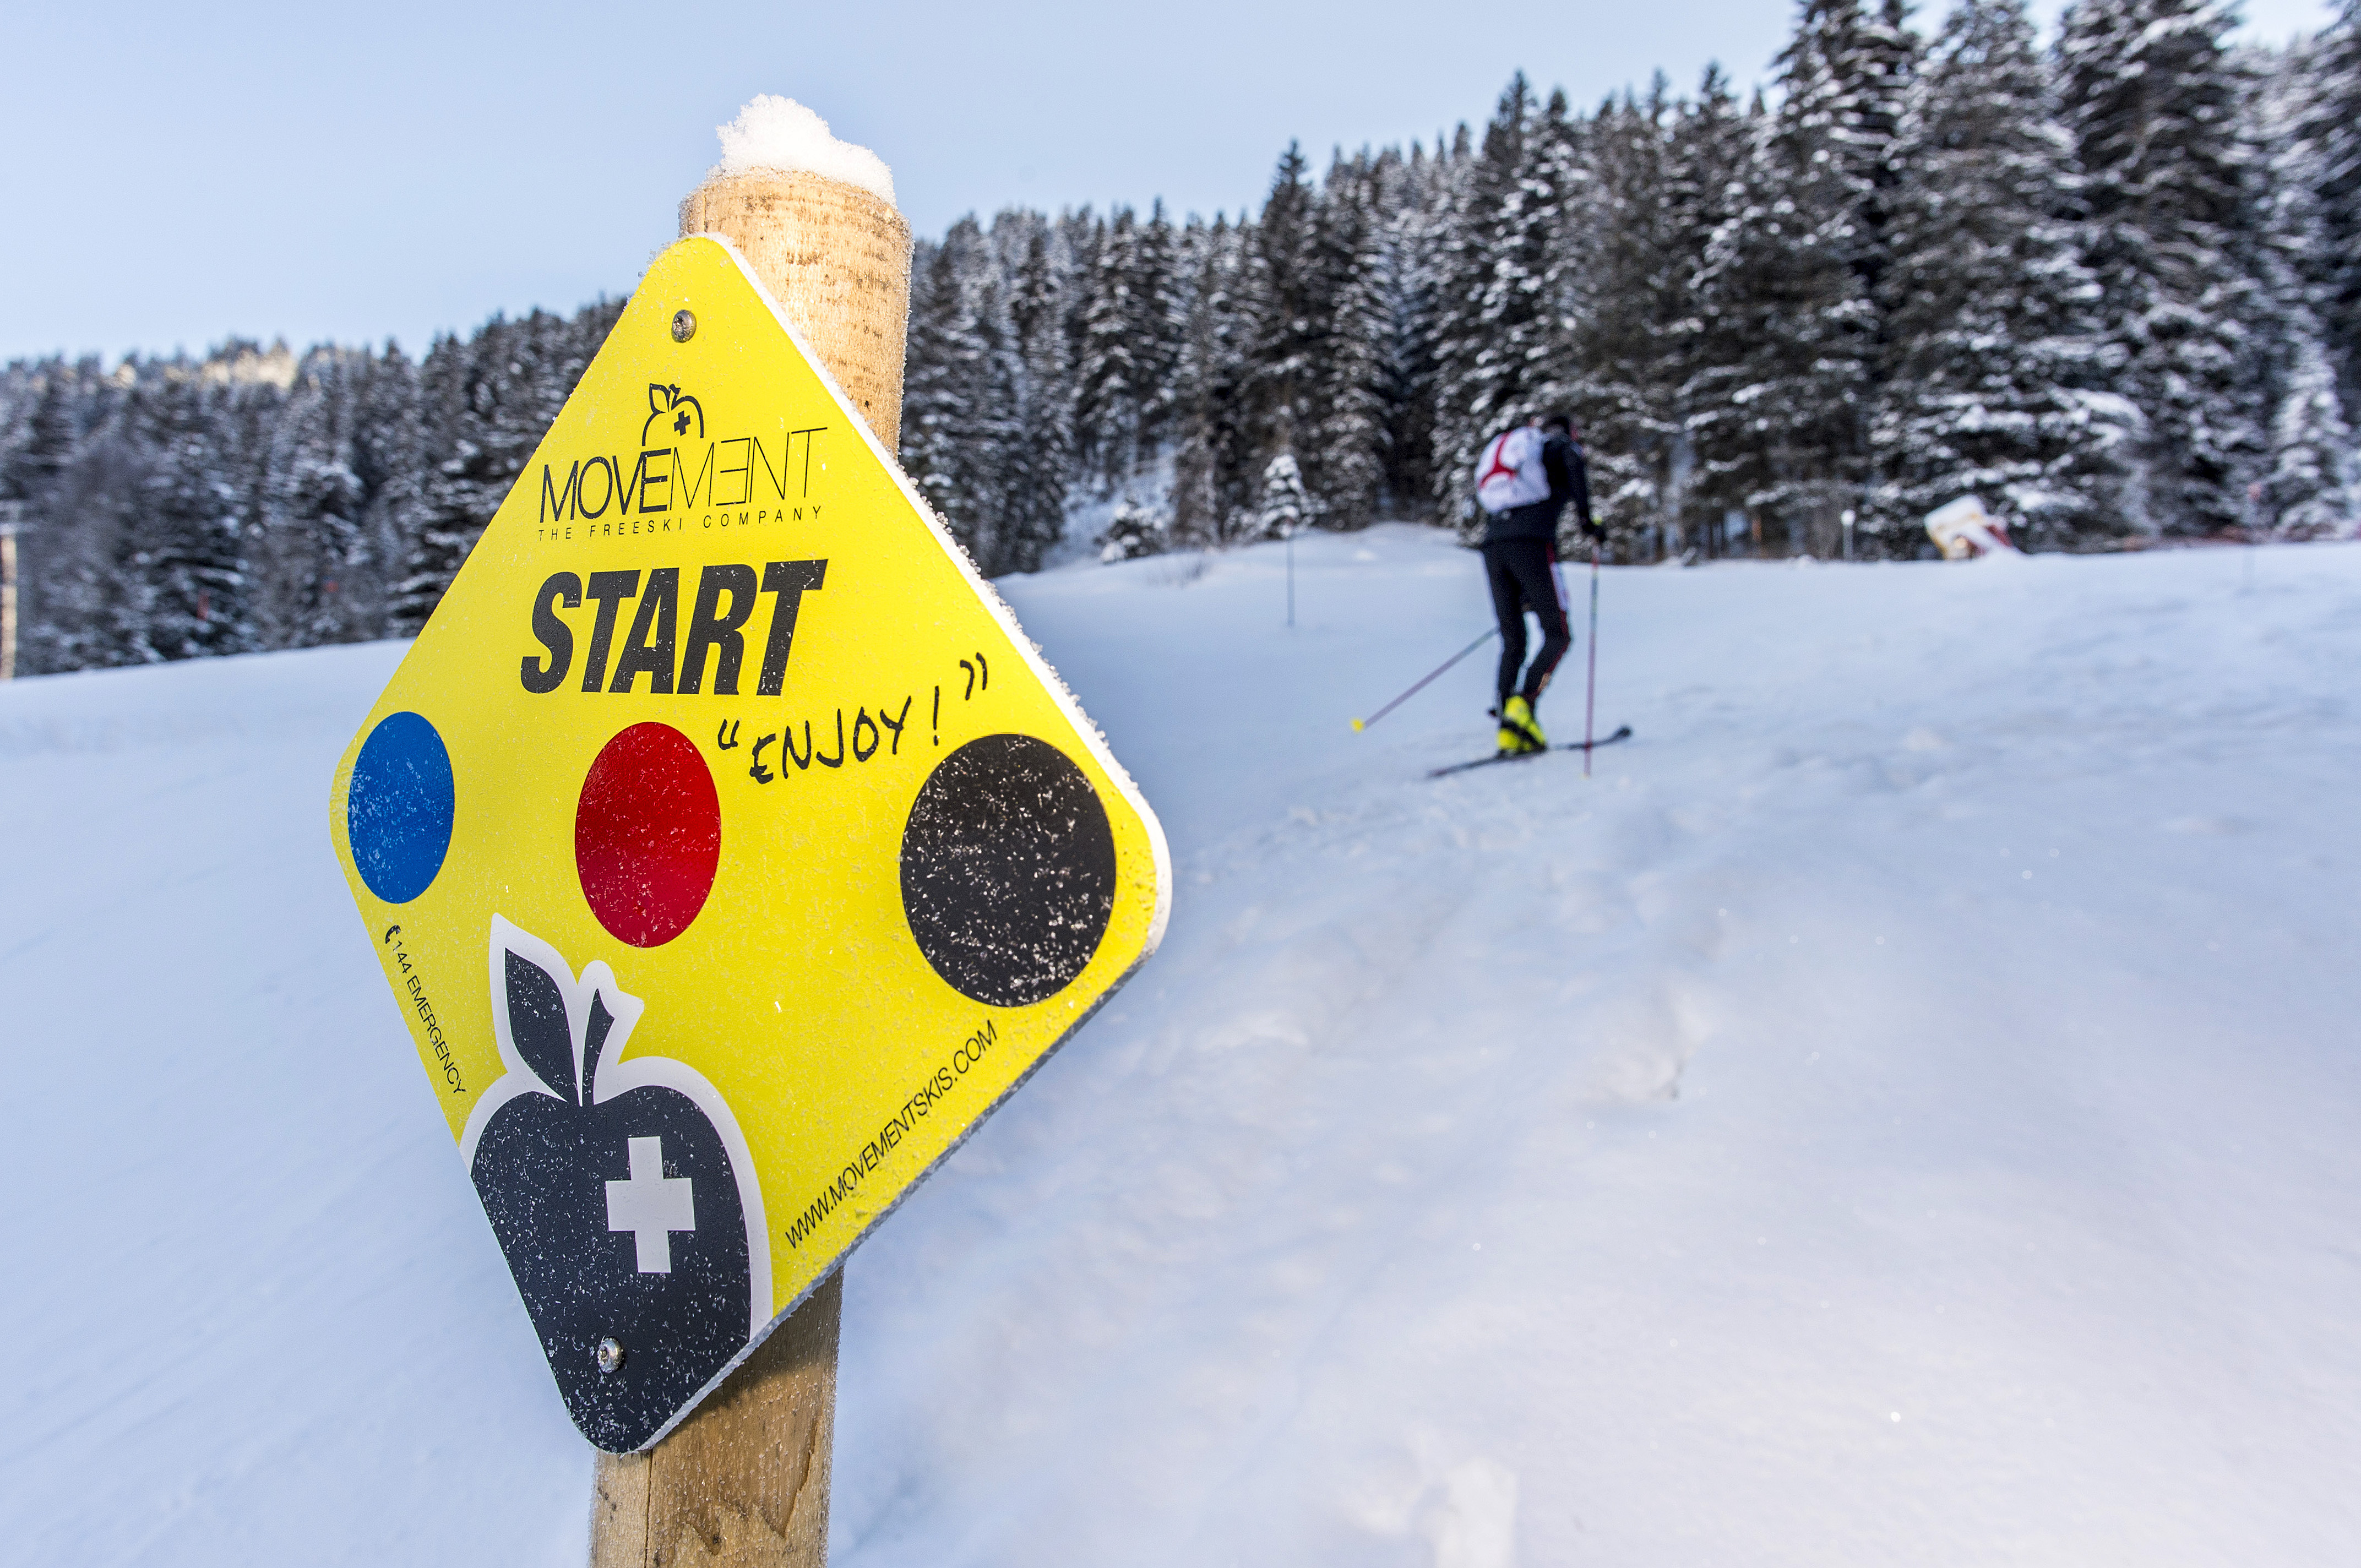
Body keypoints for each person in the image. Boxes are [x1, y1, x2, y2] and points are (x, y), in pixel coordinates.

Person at [1472, 412, 1599, 754]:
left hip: (1493, 545)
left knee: (1514, 639)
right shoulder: (1558, 447)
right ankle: (1523, 706)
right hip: (1533, 544)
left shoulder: (1521, 455)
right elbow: (1575, 467)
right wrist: (1589, 523)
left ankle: (1509, 728)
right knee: (1558, 634)